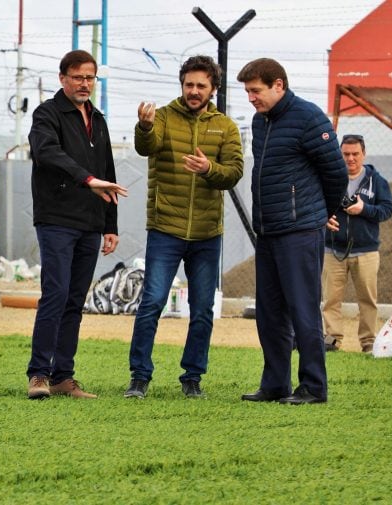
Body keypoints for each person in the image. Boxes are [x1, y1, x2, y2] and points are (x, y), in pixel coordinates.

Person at [124, 55, 244, 400]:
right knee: (152, 303)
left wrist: (209, 168)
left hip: (208, 233)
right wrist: (144, 127)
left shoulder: (226, 127)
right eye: (188, 84)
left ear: (213, 89)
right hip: (165, 228)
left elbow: (234, 172)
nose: (193, 91)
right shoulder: (161, 117)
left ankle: (192, 378)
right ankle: (139, 377)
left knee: (203, 309)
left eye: (200, 86)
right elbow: (146, 146)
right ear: (182, 85)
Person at [236, 58, 348, 405]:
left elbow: (336, 174)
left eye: (256, 91)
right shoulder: (260, 122)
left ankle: (313, 387)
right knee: (270, 312)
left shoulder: (310, 118)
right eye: (248, 92)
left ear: (278, 85)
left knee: (303, 309)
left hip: (300, 230)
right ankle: (275, 384)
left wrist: (321, 213)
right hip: (268, 230)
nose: (251, 98)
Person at [26, 49, 128, 400]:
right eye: (78, 77)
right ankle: (38, 374)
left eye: (90, 77)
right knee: (55, 294)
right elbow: (46, 153)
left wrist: (110, 225)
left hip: (90, 222)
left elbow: (108, 173)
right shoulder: (47, 114)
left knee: (74, 300)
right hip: (56, 220)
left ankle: (63, 377)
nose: (85, 83)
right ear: (63, 79)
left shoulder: (97, 119)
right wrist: (86, 179)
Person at [322, 134, 392, 353]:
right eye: (346, 154)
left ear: (364, 154)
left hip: (366, 251)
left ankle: (368, 343)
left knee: (367, 301)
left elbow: (387, 210)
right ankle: (332, 340)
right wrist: (324, 218)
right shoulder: (330, 178)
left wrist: (364, 209)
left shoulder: (377, 181)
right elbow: (315, 204)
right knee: (330, 300)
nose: (350, 159)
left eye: (355, 154)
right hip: (332, 249)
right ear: (339, 154)